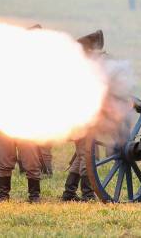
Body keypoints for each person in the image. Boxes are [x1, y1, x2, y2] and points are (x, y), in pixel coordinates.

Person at [60, 30, 104, 202]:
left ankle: (69, 192)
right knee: (87, 155)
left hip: (79, 121)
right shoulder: (84, 71)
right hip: (83, 120)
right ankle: (87, 194)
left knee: (80, 155)